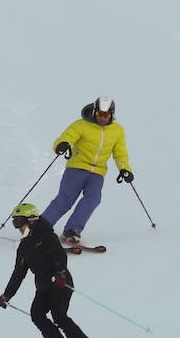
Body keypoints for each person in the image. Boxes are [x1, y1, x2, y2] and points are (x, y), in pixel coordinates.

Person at [0, 203, 97, 338]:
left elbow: (60, 256)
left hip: (60, 283)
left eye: (19, 222)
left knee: (58, 315)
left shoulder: (47, 236)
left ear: (32, 220)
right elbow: (18, 273)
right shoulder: (24, 246)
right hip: (43, 286)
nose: (18, 227)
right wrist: (7, 295)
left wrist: (60, 273)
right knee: (37, 314)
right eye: (15, 223)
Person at [43, 96, 134, 245]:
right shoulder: (81, 125)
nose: (102, 118)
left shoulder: (117, 131)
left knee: (93, 198)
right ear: (94, 112)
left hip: (98, 173)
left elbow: (120, 153)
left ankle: (71, 230)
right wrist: (62, 144)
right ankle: (41, 228)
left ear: (111, 114)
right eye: (99, 114)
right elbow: (67, 137)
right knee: (65, 199)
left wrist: (125, 169)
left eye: (105, 115)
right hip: (77, 167)